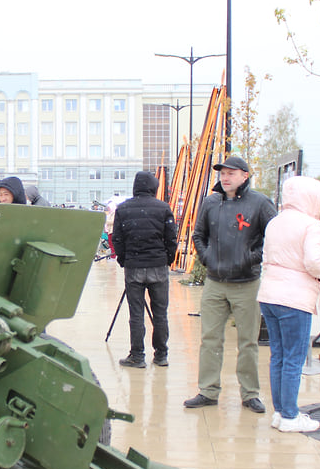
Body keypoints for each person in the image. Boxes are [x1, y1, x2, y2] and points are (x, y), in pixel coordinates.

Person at [184, 156, 276, 414]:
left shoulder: (259, 203)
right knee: (209, 339)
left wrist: (250, 258)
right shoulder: (211, 203)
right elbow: (198, 235)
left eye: (231, 173)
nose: (225, 177)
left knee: (248, 342)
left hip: (246, 283)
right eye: (223, 173)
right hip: (215, 283)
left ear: (245, 176)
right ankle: (208, 391)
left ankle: (250, 394)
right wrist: (206, 257)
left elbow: (274, 236)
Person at [257, 176, 320, 433]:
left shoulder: (275, 222)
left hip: (269, 294)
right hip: (295, 298)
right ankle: (290, 415)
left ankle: (280, 412)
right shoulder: (311, 225)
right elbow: (313, 262)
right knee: (294, 358)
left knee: (277, 355)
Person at [112, 171, 177, 368]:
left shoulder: (123, 209)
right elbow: (171, 239)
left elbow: (117, 239)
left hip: (134, 267)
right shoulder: (164, 208)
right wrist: (167, 259)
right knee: (160, 313)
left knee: (136, 314)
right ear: (154, 187)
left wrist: (124, 260)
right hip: (158, 266)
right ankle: (161, 355)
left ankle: (137, 355)